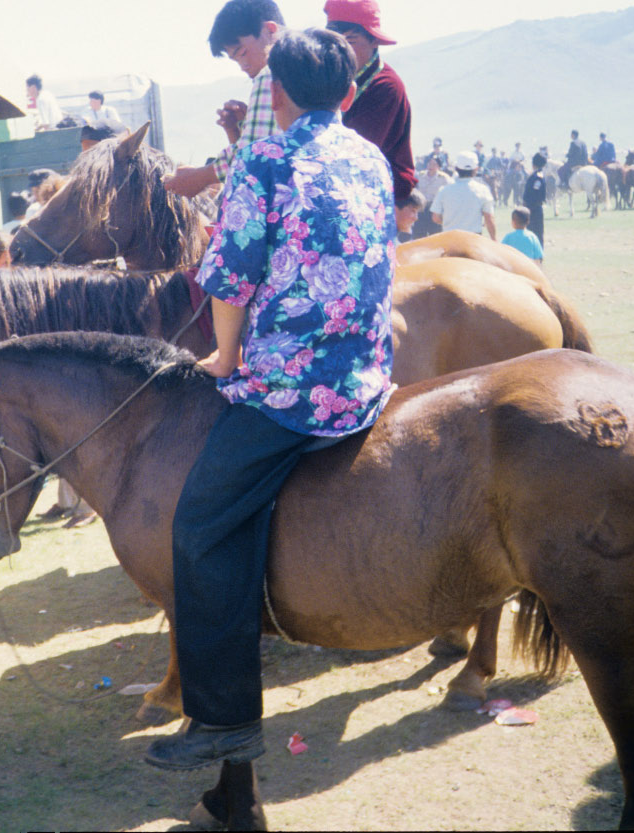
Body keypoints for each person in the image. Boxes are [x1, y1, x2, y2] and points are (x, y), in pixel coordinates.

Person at [144, 27, 394, 771]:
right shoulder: (369, 155)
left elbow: (228, 276)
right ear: (347, 92)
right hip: (370, 376)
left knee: (198, 524)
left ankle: (224, 720)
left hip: (294, 389)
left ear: (275, 92)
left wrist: (223, 355)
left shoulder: (266, 157)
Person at [162, 0, 285, 198]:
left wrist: (199, 177)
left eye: (242, 52)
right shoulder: (317, 63)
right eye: (235, 60)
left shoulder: (270, 75)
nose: (243, 65)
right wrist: (239, 128)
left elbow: (253, 159)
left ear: (270, 30)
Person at [324, 0, 416, 205]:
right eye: (333, 43)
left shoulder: (386, 87)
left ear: (374, 41)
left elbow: (354, 155)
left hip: (376, 197)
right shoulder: (339, 77)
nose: (340, 51)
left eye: (350, 42)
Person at [430, 151, 496, 240]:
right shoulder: (483, 190)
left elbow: (436, 217)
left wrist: (449, 222)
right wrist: (494, 239)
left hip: (449, 238)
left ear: (456, 169)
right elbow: (489, 218)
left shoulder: (444, 190)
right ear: (476, 169)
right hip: (474, 239)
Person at [412, 155, 452, 239]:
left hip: (435, 210)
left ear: (439, 166)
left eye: (434, 164)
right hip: (421, 210)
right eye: (429, 163)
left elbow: (451, 192)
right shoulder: (420, 176)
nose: (431, 166)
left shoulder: (444, 178)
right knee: (418, 237)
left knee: (435, 237)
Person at [522, 152, 548, 245]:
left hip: (533, 209)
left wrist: (526, 206)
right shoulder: (537, 175)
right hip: (534, 208)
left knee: (535, 233)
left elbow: (533, 194)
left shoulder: (537, 177)